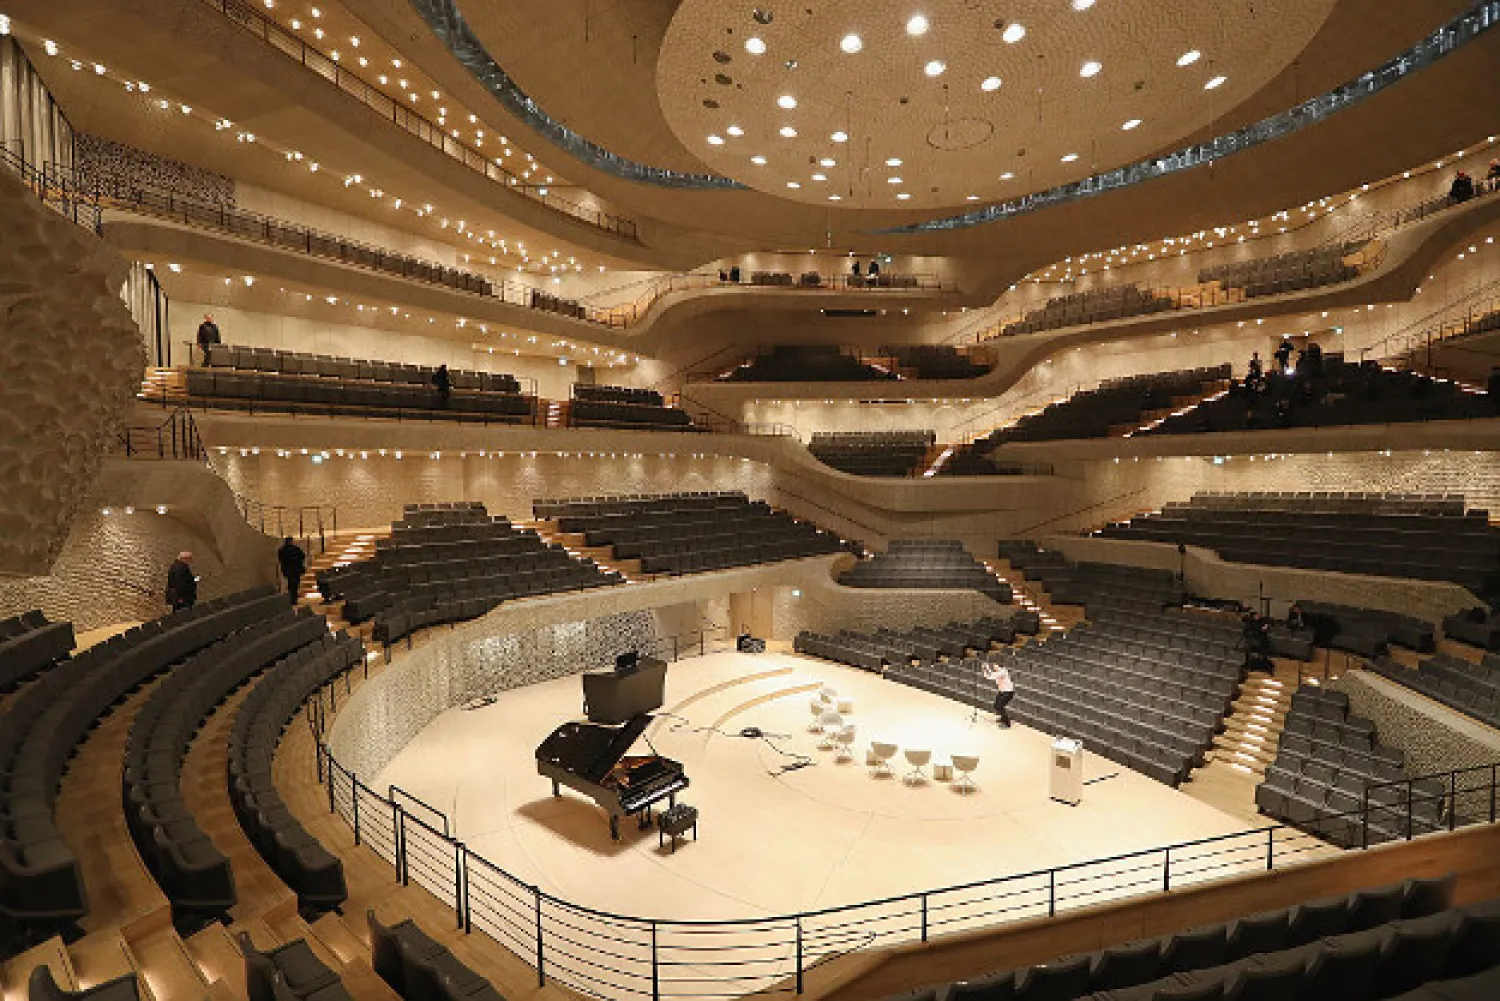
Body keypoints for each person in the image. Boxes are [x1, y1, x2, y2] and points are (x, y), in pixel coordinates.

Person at [982, 660, 1015, 728]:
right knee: (996, 705)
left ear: (998, 665)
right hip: (1001, 692)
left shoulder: (1003, 672)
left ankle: (1007, 724)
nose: (993, 666)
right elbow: (989, 676)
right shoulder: (998, 672)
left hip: (1008, 692)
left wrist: (987, 668)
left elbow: (992, 675)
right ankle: (1003, 718)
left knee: (1000, 706)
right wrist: (984, 670)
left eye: (995, 665)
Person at [277, 536, 306, 605]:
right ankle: (293, 599)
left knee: (293, 585)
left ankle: (293, 599)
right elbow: (302, 556)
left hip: (292, 570)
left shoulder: (283, 550)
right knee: (293, 585)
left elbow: (281, 560)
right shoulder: (294, 549)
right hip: (293, 570)